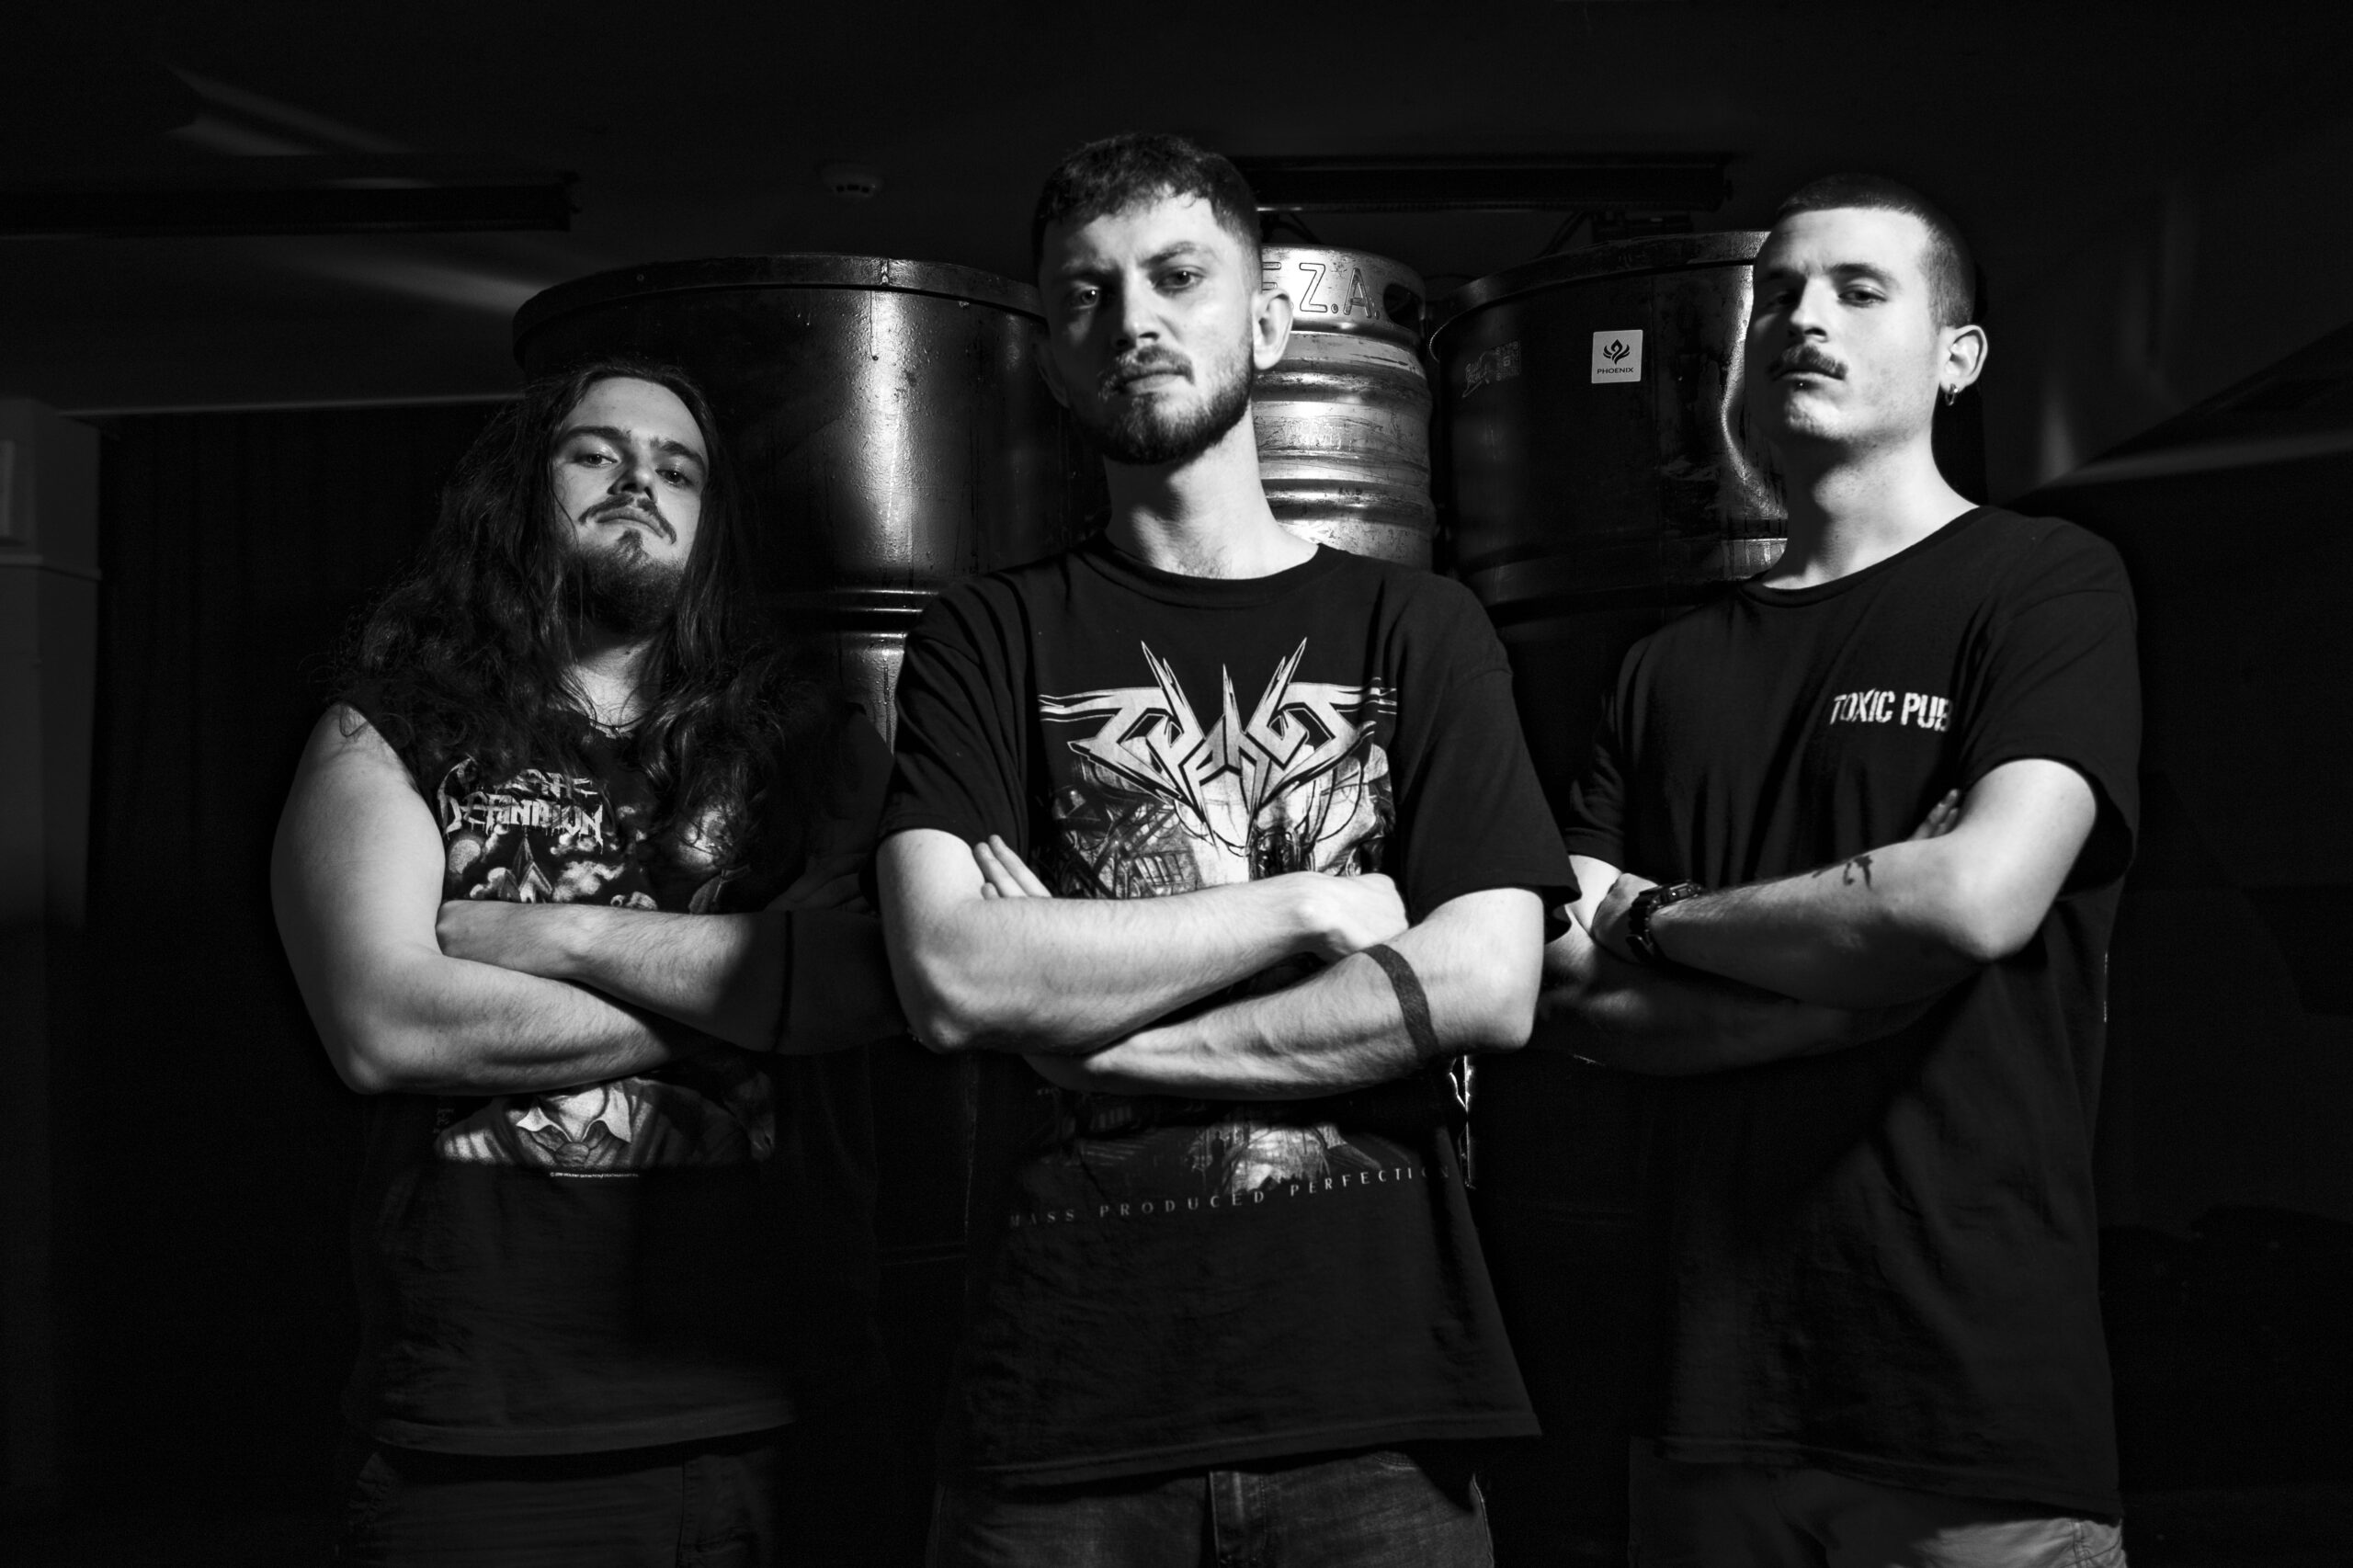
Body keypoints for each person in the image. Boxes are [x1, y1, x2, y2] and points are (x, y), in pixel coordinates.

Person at [878, 133, 1576, 1568]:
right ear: (1053, 358)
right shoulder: (986, 637)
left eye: (1178, 277)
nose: (1132, 319)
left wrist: (1098, 1033)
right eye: (1086, 294)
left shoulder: (1420, 627)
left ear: (1264, 323)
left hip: (1380, 1403)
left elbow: (1490, 979)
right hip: (1062, 1417)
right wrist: (1312, 905)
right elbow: (952, 970)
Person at [1540, 174, 2140, 1565]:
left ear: (1957, 356)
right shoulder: (1661, 668)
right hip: (1703, 1402)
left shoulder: (2045, 586)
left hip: (1970, 1406)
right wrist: (1848, 985)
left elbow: (1970, 899)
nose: (1804, 319)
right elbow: (1562, 985)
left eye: (1860, 292)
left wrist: (1660, 918)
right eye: (1778, 296)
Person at [271, 358, 904, 1566]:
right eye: (596, 454)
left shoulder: (818, 752)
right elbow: (385, 1026)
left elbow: (880, 982)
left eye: (678, 469)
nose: (638, 483)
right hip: (487, 1436)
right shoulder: (389, 735)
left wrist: (557, 938)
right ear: (520, 492)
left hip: (785, 1411)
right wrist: (758, 986)